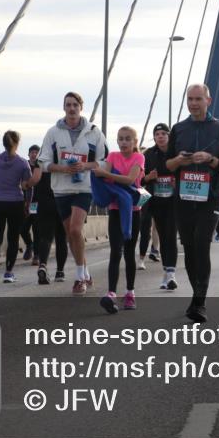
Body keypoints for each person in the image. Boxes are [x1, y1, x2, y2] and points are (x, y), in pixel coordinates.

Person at [165, 84, 219, 323]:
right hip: (183, 198)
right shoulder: (178, 129)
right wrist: (179, 161)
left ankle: (199, 302)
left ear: (208, 101)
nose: (193, 103)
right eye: (190, 99)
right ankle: (197, 294)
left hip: (209, 198)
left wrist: (210, 159)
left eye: (198, 99)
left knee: (201, 244)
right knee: (190, 248)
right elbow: (166, 166)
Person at [38, 91, 108, 296]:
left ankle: (79, 279)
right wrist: (62, 168)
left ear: (81, 107)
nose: (71, 108)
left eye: (75, 105)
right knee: (71, 234)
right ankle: (85, 271)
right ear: (63, 108)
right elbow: (43, 162)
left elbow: (105, 161)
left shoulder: (94, 132)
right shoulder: (53, 133)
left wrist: (85, 165)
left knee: (76, 230)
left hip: (84, 189)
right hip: (61, 189)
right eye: (67, 105)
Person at [94, 126, 144, 314]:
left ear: (135, 141)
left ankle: (130, 293)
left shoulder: (139, 158)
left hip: (133, 211)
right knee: (115, 251)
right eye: (120, 139)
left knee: (129, 252)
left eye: (128, 139)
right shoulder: (112, 156)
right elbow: (104, 178)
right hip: (115, 210)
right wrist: (103, 173)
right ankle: (112, 294)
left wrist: (106, 174)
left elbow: (130, 180)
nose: (123, 142)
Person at [0, 130, 38, 284]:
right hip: (15, 203)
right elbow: (29, 186)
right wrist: (28, 203)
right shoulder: (22, 163)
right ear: (17, 144)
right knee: (13, 239)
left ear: (3, 143)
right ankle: (8, 273)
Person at [142, 123, 180, 290]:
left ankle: (171, 274)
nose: (161, 136)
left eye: (164, 133)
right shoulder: (148, 155)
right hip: (156, 202)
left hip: (174, 201)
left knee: (170, 235)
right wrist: (148, 178)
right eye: (157, 134)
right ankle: (166, 271)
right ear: (154, 137)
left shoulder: (177, 153)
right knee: (163, 237)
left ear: (169, 136)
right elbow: (139, 179)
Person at [28, 144, 69, 284]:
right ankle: (60, 272)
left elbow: (34, 182)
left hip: (44, 205)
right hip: (62, 202)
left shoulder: (41, 161)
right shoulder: (66, 161)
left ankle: (43, 265)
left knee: (45, 237)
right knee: (61, 239)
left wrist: (24, 185)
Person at [19, 145, 41, 264]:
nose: (34, 154)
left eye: (36, 152)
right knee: (23, 228)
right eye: (32, 152)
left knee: (36, 228)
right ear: (28, 154)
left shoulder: (41, 167)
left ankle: (36, 255)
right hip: (24, 202)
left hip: (36, 203)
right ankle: (29, 245)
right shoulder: (24, 166)